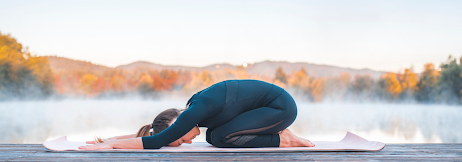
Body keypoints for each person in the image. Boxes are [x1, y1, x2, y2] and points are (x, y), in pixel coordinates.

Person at [79, 80, 315, 150]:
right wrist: (110, 139)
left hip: (280, 107)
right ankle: (280, 136)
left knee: (220, 138)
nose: (188, 141)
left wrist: (108, 148)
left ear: (176, 121)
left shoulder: (195, 111)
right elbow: (151, 133)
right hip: (264, 111)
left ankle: (284, 139)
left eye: (181, 138)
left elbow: (155, 141)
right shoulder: (191, 113)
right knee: (215, 137)